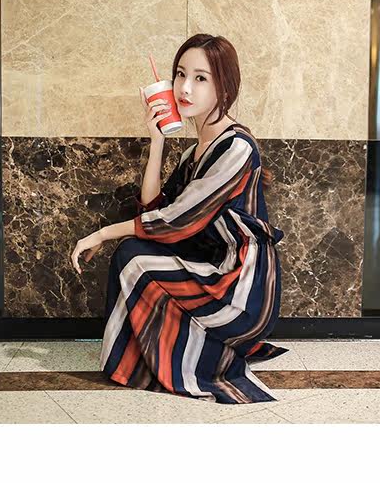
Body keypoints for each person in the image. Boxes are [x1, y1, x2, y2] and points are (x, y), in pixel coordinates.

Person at [70, 34, 287, 404]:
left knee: (132, 255)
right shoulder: (194, 152)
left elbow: (175, 222)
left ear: (224, 86)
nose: (185, 88)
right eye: (181, 74)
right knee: (132, 249)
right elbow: (153, 209)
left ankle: (149, 362)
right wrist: (157, 141)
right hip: (210, 268)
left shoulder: (236, 147)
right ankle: (141, 360)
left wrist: (101, 233)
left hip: (239, 287)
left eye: (201, 78)